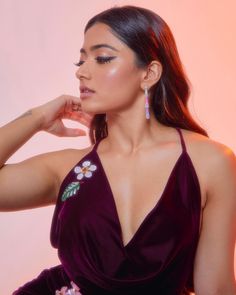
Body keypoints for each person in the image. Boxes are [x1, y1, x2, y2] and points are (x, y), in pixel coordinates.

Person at [1, 4, 235, 295]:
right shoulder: (68, 169)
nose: (82, 73)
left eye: (102, 58)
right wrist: (35, 118)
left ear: (149, 73)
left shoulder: (210, 161)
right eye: (80, 62)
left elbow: (216, 288)